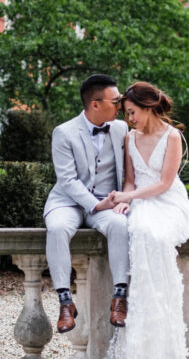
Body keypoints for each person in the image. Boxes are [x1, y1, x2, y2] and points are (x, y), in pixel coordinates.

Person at [102, 81, 189, 359]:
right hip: (141, 200)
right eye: (126, 114)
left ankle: (157, 335)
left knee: (151, 235)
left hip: (166, 202)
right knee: (133, 229)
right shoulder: (129, 138)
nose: (128, 120)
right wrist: (125, 198)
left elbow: (162, 183)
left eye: (132, 112)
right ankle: (137, 323)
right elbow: (130, 181)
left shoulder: (172, 137)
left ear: (147, 107)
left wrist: (134, 197)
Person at [44, 74, 131, 334]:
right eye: (116, 101)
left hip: (108, 201)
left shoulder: (121, 129)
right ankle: (65, 302)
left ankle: (119, 297)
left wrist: (119, 200)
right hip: (68, 202)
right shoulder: (64, 132)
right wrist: (95, 204)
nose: (121, 106)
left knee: (119, 224)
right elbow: (67, 180)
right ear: (95, 103)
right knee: (57, 229)